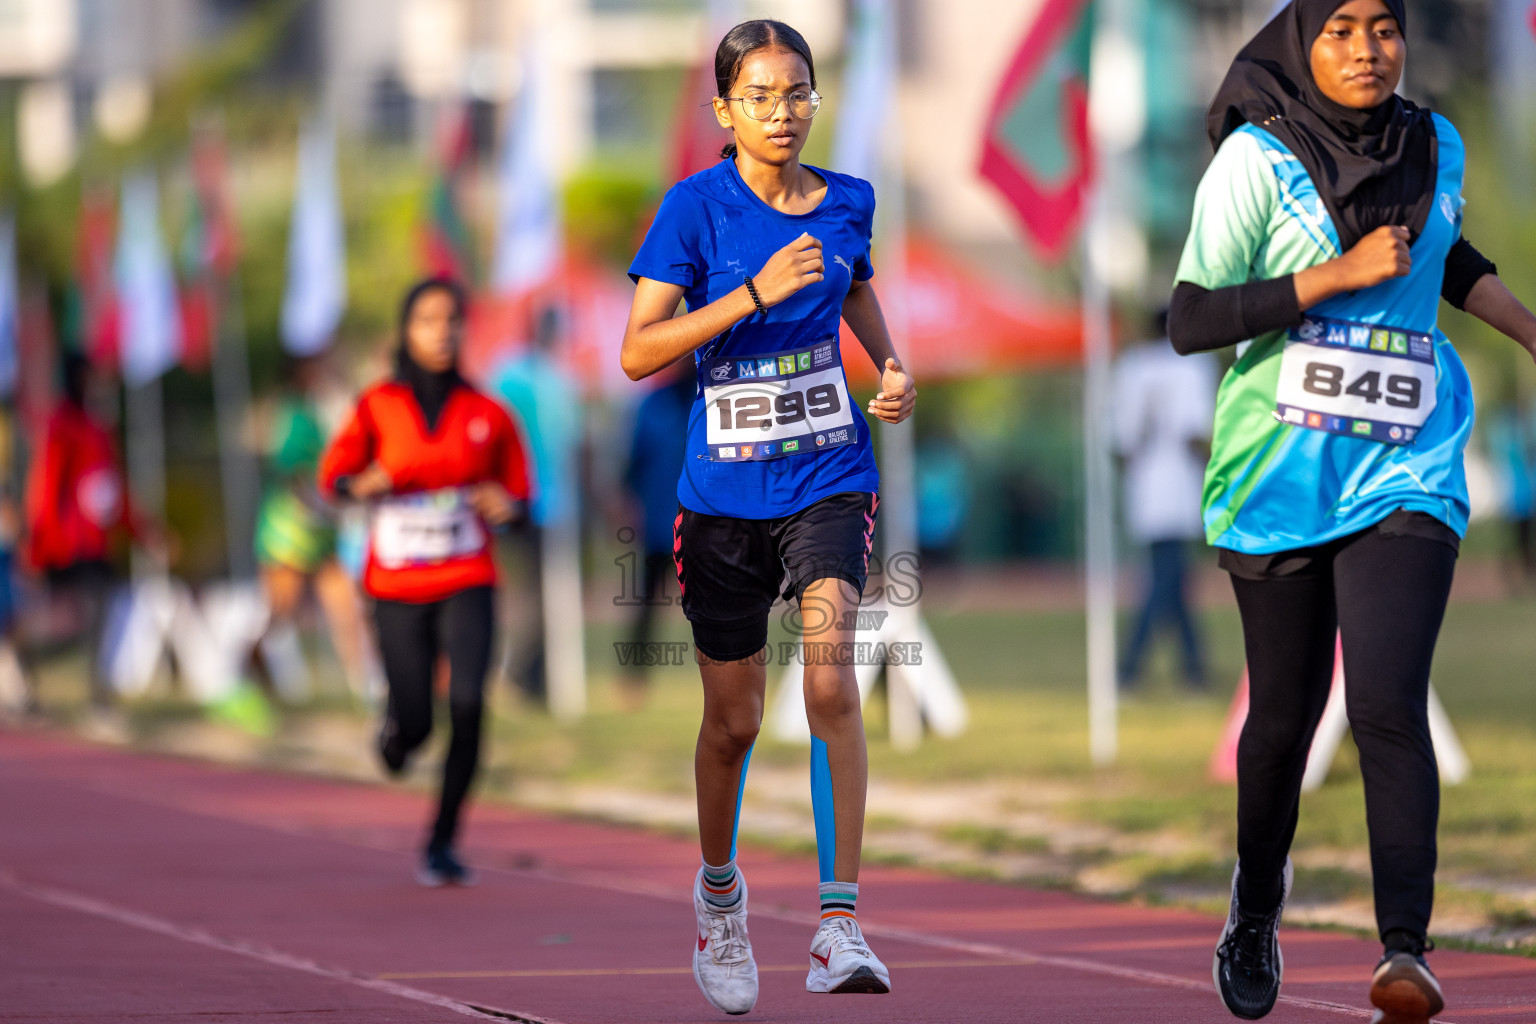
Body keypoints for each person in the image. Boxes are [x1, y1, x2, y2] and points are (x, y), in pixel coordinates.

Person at [1169, 2, 1536, 1021]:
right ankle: (1253, 906)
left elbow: (1447, 257)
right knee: (1281, 724)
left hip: (1406, 469)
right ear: (1302, 42)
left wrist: (1531, 329)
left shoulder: (1435, 142)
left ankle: (1406, 952)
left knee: (1386, 701)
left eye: (1384, 27)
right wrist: (1332, 276)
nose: (1366, 50)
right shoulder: (1255, 160)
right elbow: (1189, 316)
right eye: (1340, 30)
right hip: (1278, 475)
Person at [621, 19, 915, 1014]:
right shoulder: (693, 211)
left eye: (797, 93)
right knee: (732, 720)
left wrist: (891, 365)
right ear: (724, 110)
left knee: (831, 678)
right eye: (759, 96)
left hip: (829, 474)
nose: (781, 112)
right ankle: (720, 897)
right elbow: (638, 352)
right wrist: (748, 293)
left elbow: (857, 288)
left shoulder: (849, 202)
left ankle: (838, 925)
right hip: (721, 498)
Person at [319, 279, 530, 886]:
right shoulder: (376, 406)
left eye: (453, 320)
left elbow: (522, 498)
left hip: (468, 577)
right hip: (396, 587)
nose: (443, 330)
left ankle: (441, 840)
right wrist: (361, 486)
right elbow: (335, 477)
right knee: (416, 723)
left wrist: (507, 506)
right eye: (428, 320)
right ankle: (397, 733)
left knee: (467, 703)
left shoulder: (489, 413)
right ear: (406, 331)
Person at [21, 352, 148, 721]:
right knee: (58, 620)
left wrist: (142, 530)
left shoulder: (98, 425)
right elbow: (46, 485)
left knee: (97, 613)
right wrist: (39, 541)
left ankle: (97, 696)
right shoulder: (60, 424)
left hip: (94, 542)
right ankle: (20, 661)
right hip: (64, 543)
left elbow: (113, 485)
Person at [255, 354, 375, 704]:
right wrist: (319, 503)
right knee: (281, 611)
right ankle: (243, 672)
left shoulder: (315, 411)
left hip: (321, 529)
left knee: (346, 607)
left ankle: (366, 685)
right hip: (289, 528)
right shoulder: (292, 413)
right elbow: (290, 469)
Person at [1112, 312, 1216, 690]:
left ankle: (1190, 666)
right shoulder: (1193, 367)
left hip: (1146, 486)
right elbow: (1195, 434)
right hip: (1180, 485)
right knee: (1168, 579)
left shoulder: (1132, 367)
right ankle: (1134, 666)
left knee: (1170, 577)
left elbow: (1122, 442)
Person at [617, 358, 693, 707]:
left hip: (706, 524)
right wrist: (626, 508)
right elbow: (632, 465)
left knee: (716, 605)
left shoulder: (713, 400)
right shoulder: (653, 404)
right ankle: (634, 679)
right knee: (646, 605)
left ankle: (720, 676)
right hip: (659, 525)